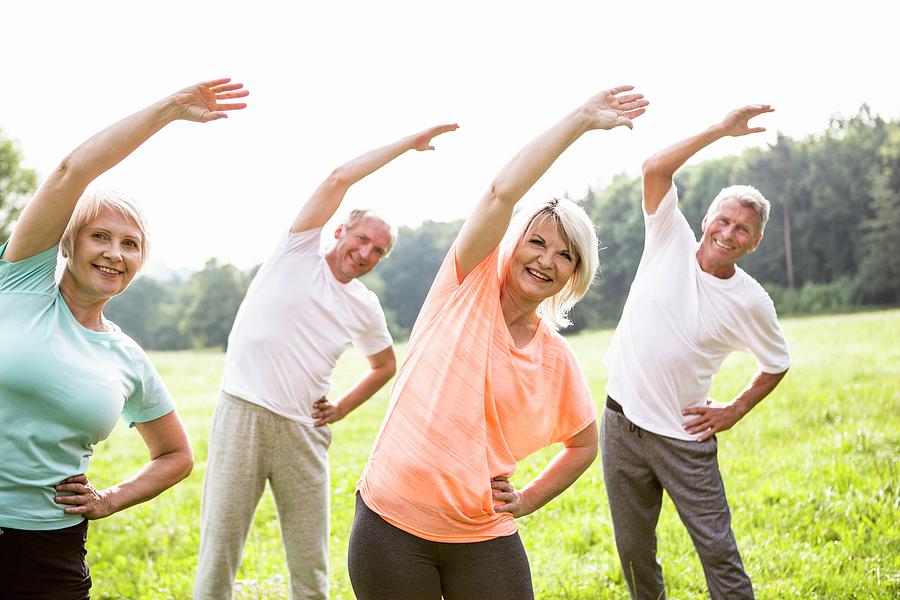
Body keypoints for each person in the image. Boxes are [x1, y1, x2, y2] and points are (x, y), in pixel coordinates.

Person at [348, 86, 648, 600]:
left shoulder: (555, 359)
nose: (546, 260)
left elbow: (582, 445)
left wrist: (528, 498)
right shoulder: (464, 285)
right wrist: (579, 120)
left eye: (565, 254)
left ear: (576, 274)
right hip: (390, 525)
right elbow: (500, 195)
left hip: (482, 533)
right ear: (512, 247)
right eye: (537, 242)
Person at [0, 78, 248, 598]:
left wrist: (110, 499)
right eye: (101, 236)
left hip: (48, 550)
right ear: (68, 243)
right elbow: (74, 170)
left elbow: (176, 455)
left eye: (130, 244)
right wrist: (170, 109)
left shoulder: (125, 357)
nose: (115, 252)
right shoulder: (20, 284)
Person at [193, 123, 457, 600]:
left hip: (304, 434)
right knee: (219, 550)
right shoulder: (297, 251)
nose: (366, 253)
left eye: (378, 250)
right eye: (361, 239)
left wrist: (339, 407)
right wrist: (404, 144)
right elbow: (338, 178)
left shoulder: (364, 306)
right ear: (340, 230)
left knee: (310, 562)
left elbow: (384, 365)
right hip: (243, 413)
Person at [601, 105, 792, 599]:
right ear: (706, 218)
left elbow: (776, 362)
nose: (728, 233)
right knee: (634, 552)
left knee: (717, 551)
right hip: (620, 423)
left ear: (755, 243)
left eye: (742, 230)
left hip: (683, 436)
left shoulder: (751, 300)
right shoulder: (668, 237)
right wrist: (719, 131)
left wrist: (735, 409)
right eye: (724, 220)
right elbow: (654, 169)